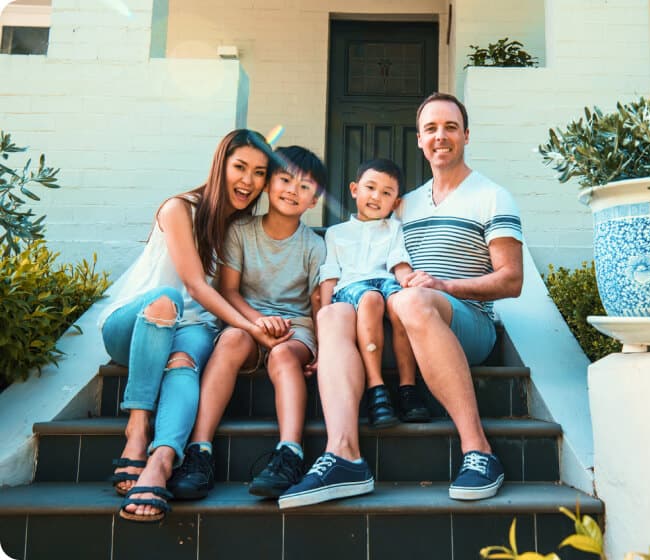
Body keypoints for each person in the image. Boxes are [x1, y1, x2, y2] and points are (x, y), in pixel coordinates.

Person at [279, 92, 524, 510]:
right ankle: (343, 455)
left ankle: (479, 450)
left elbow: (512, 280)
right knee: (337, 312)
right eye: (431, 128)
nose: (440, 136)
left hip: (466, 324)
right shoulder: (403, 204)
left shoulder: (491, 196)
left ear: (467, 135)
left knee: (412, 302)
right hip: (398, 330)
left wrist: (444, 287)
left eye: (450, 127)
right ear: (419, 139)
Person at [99, 129, 280, 522]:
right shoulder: (178, 208)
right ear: (221, 166)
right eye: (240, 168)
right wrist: (251, 329)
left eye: (260, 173)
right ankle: (137, 428)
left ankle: (161, 460)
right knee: (166, 298)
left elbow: (231, 294)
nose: (249, 181)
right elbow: (195, 286)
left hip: (191, 329)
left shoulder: (240, 230)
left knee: (183, 359)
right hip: (134, 325)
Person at [167, 146, 327, 500]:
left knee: (284, 355)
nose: (291, 190)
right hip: (245, 318)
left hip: (294, 328)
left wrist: (323, 349)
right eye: (284, 179)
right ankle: (199, 452)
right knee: (230, 342)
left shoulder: (315, 246)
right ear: (269, 184)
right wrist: (257, 322)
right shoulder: (240, 231)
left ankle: (289, 453)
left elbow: (317, 304)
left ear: (314, 200)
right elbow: (228, 290)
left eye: (304, 187)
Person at [319, 158, 429, 428]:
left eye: (386, 192)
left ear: (395, 202)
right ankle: (375, 387)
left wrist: (409, 285)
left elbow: (399, 263)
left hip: (386, 281)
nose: (376, 196)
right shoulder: (335, 233)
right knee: (370, 299)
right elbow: (330, 274)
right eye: (370, 188)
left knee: (400, 303)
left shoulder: (394, 229)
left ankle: (407, 388)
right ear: (355, 189)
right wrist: (323, 313)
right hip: (352, 288)